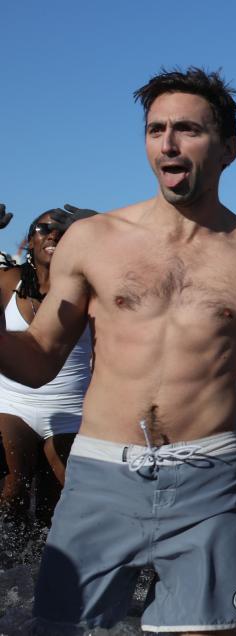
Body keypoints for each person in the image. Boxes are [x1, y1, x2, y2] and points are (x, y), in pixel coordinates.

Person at [3, 68, 236, 633]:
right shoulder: (94, 239)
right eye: (156, 129)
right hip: (100, 474)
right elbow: (38, 357)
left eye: (187, 130)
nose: (168, 143)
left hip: (208, 478)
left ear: (228, 148)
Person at [0, 210, 92, 528]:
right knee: (12, 493)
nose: (52, 234)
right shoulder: (7, 282)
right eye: (44, 228)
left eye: (63, 230)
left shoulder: (91, 292)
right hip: (12, 405)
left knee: (61, 507)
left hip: (70, 410)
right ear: (30, 241)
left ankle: (45, 571)